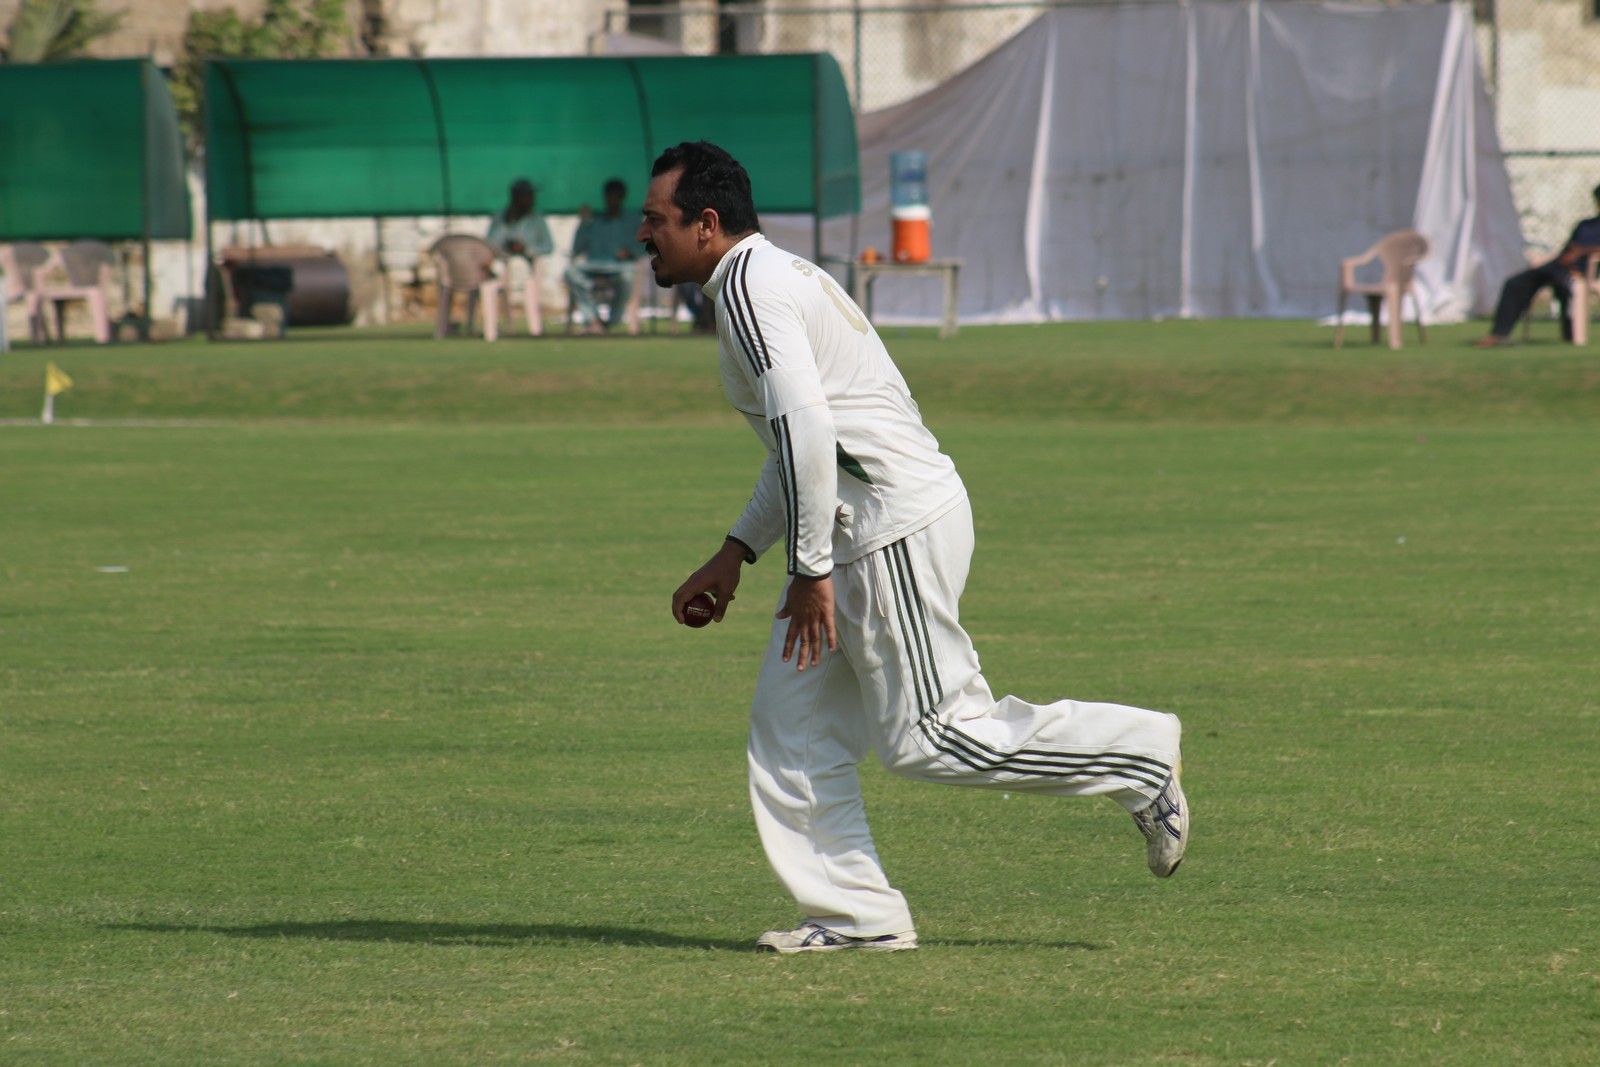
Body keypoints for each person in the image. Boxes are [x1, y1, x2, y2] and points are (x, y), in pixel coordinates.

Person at [641, 141, 1189, 955]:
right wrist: (737, 549)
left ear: (706, 224)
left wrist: (809, 571)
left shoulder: (752, 290)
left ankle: (1137, 756)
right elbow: (801, 443)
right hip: (864, 531)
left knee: (933, 735)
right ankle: (856, 916)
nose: (643, 234)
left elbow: (809, 433)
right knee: (790, 728)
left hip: (886, 531)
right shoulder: (766, 278)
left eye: (655, 219)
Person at [1475, 183, 1600, 346]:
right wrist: (1568, 254)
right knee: (1515, 283)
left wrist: (1581, 252)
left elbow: (1582, 250)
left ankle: (1571, 333)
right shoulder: (1585, 225)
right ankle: (1499, 334)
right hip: (1558, 266)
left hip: (1584, 271)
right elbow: (1569, 247)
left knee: (1567, 288)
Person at [565, 178, 638, 334]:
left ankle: (612, 321)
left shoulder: (632, 221)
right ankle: (593, 319)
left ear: (622, 197)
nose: (612, 200)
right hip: (593, 265)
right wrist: (584, 223)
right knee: (570, 272)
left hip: (619, 266)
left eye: (616, 196)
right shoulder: (594, 220)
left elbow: (642, 247)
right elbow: (577, 248)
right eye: (609, 196)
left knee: (627, 277)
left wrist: (629, 252)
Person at [486, 178, 552, 336]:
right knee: (492, 277)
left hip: (528, 266)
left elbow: (548, 247)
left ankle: (535, 329)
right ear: (515, 197)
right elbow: (490, 244)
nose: (531, 199)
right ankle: (491, 331)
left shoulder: (537, 219)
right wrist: (506, 232)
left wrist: (526, 249)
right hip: (503, 265)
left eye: (531, 195)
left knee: (521, 266)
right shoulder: (501, 218)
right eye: (526, 195)